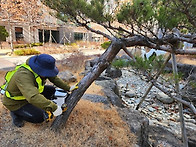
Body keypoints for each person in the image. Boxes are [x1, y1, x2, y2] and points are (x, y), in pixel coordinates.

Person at [1, 54, 72, 127]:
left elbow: (54, 78)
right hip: (17, 103)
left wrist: (68, 88)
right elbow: (32, 97)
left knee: (51, 90)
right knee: (39, 117)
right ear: (39, 69)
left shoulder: (39, 67)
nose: (48, 74)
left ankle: (37, 106)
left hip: (28, 94)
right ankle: (15, 113)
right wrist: (54, 107)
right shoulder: (23, 75)